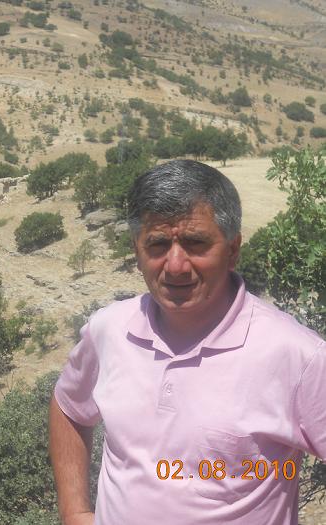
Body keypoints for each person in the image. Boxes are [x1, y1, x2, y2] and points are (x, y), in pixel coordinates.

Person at [49, 159, 326, 525]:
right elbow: (68, 407)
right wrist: (74, 512)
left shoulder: (298, 356)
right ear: (136, 251)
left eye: (195, 243)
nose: (176, 265)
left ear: (233, 250)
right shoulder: (109, 329)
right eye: (158, 244)